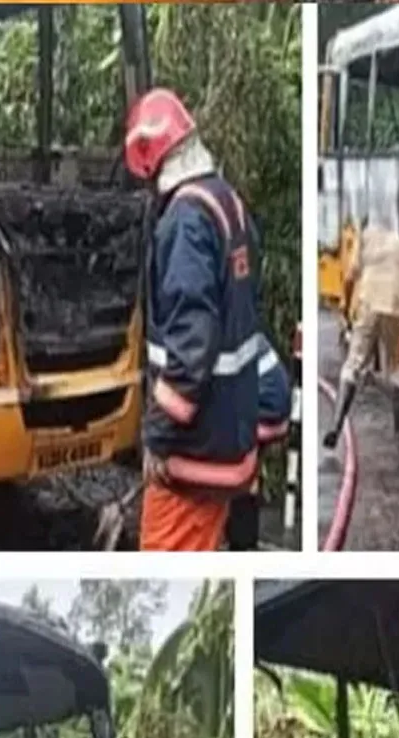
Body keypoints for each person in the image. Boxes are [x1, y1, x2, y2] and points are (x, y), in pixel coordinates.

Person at [125, 88, 261, 551]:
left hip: (192, 458)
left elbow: (192, 347)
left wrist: (157, 437)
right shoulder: (228, 204)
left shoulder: (185, 221)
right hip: (228, 443)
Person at [323, 222, 399, 451]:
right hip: (396, 306)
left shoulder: (366, 234)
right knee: (396, 367)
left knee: (353, 363)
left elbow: (349, 277)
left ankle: (335, 427)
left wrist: (345, 308)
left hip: (368, 304)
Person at [226, 333, 292, 551]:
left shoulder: (220, 338)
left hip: (265, 413)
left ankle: (240, 543)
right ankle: (244, 539)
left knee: (234, 466)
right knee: (247, 472)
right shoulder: (239, 326)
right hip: (274, 411)